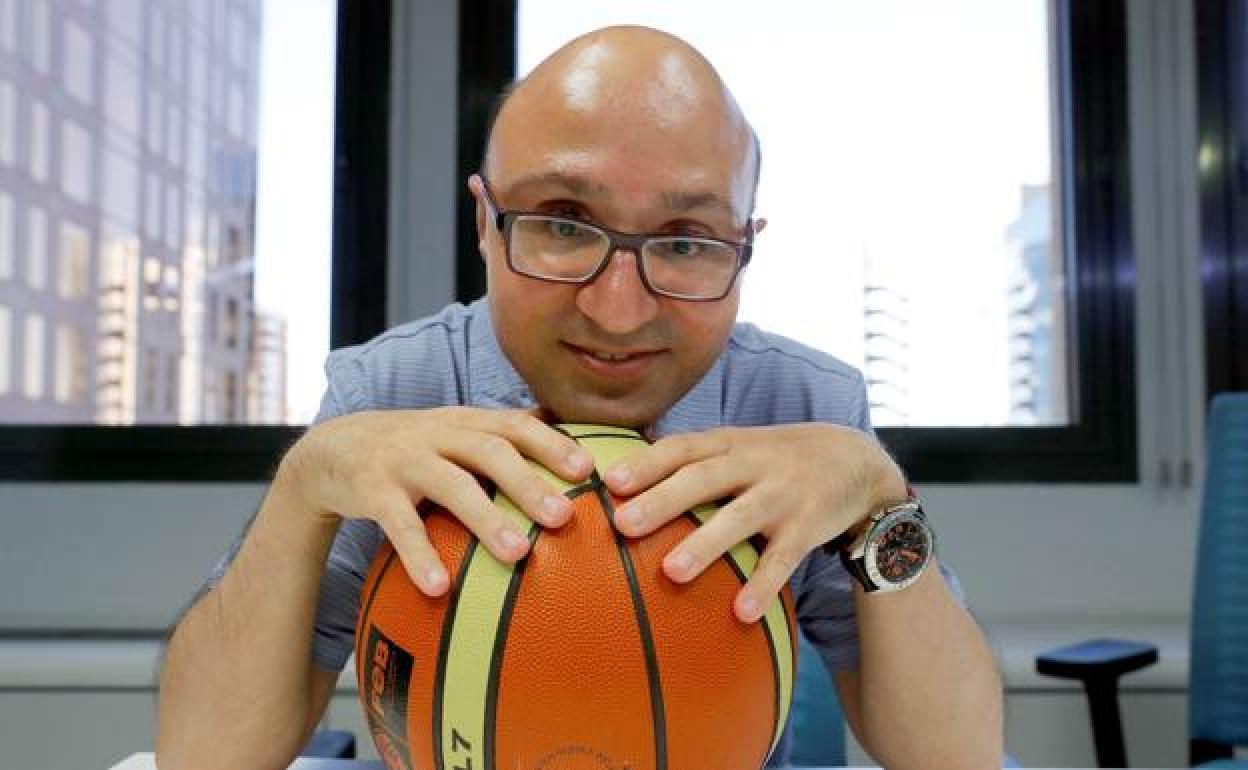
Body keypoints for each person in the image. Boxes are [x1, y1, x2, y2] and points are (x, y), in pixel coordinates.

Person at [157, 25, 1003, 770]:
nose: (618, 310)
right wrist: (304, 487)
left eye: (686, 241)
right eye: (563, 224)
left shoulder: (805, 405)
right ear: (485, 223)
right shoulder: (392, 395)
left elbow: (957, 758)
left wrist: (878, 500)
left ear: (745, 247)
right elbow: (202, 759)